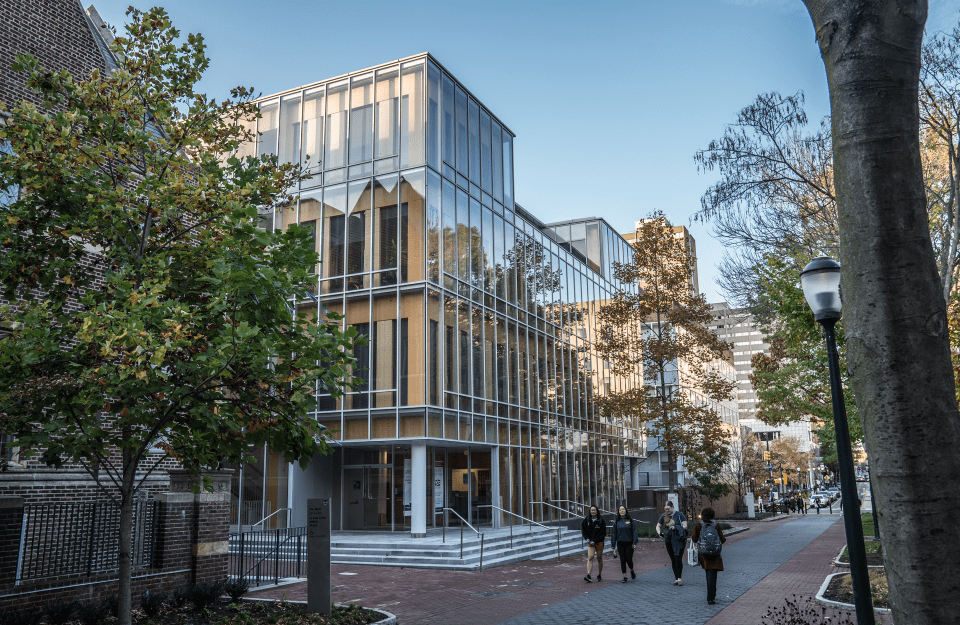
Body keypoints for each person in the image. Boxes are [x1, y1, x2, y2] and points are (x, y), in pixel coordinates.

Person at [691, 506, 727, 605]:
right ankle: (711, 597)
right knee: (713, 575)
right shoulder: (716, 526)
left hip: (704, 554)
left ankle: (710, 597)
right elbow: (723, 540)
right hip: (715, 554)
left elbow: (694, 539)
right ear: (712, 515)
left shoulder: (699, 525)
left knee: (708, 574)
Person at [656, 501, 688, 585]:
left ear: (672, 507)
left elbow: (685, 526)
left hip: (678, 539)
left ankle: (679, 578)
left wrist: (676, 527)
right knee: (673, 558)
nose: (667, 511)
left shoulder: (679, 515)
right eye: (665, 509)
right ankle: (676, 578)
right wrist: (659, 533)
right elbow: (658, 525)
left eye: (668, 509)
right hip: (668, 540)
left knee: (678, 557)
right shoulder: (663, 516)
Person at [610, 505, 639, 583]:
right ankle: (624, 577)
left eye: (623, 509)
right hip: (620, 543)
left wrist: (634, 542)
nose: (622, 511)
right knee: (622, 560)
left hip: (629, 543)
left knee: (629, 559)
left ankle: (632, 571)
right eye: (620, 510)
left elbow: (635, 531)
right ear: (618, 512)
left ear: (626, 510)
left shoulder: (630, 520)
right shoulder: (616, 521)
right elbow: (613, 533)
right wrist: (613, 544)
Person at [581, 505, 606, 583]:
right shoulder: (586, 520)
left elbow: (603, 533)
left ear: (597, 511)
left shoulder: (601, 520)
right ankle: (588, 575)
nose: (593, 511)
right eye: (592, 510)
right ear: (590, 511)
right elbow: (584, 530)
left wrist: (596, 540)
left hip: (599, 542)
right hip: (590, 543)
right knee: (590, 557)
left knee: (599, 558)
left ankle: (599, 575)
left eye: (594, 510)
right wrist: (587, 538)